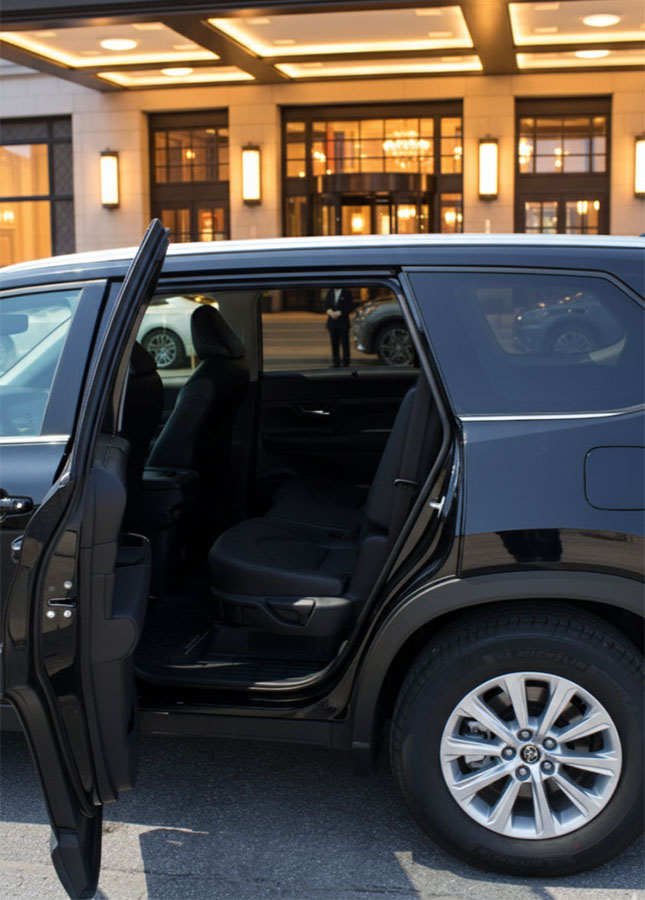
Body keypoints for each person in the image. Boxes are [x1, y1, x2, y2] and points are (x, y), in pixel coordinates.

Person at [325, 287, 354, 367]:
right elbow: (326, 305)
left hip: (343, 323)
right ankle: (336, 363)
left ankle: (346, 363)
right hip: (332, 323)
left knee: (345, 344)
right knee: (334, 344)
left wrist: (340, 313)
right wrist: (330, 312)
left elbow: (350, 307)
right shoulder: (330, 292)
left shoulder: (346, 292)